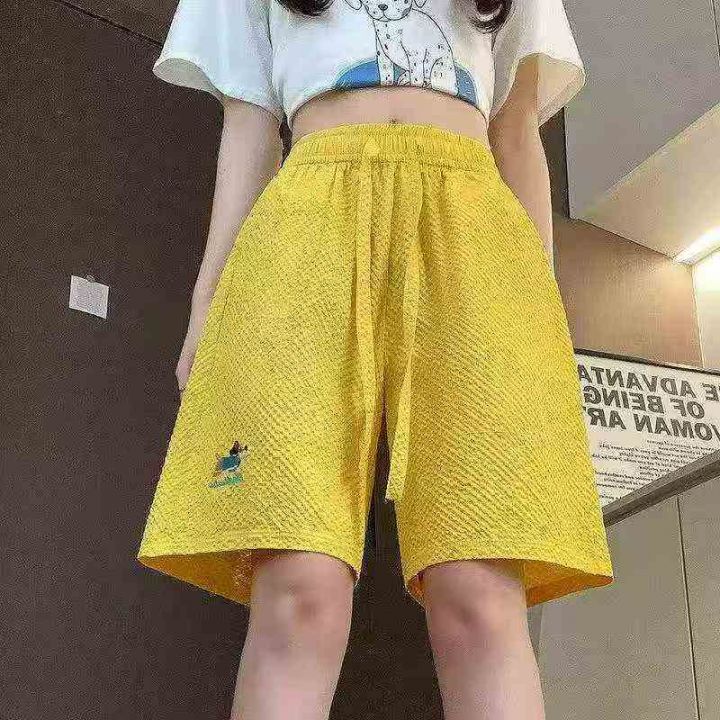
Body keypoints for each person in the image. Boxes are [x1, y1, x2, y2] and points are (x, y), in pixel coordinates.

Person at [136, 0, 614, 716]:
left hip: (473, 233)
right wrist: (208, 300)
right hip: (308, 224)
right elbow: (249, 125)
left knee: (481, 592)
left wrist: (540, 309)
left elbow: (516, 131)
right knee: (297, 585)